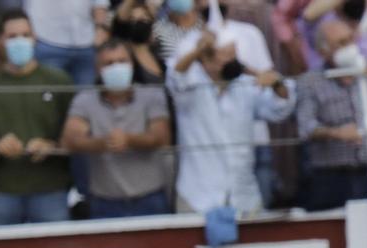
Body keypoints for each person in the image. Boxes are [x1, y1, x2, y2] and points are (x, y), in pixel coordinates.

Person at [166, 23, 293, 213]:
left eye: (234, 55)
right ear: (206, 61)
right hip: (197, 197)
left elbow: (279, 108)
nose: (234, 62)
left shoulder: (246, 85)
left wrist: (275, 83)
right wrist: (198, 49)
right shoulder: (189, 88)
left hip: (243, 196)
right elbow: (176, 75)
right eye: (226, 56)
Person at [0, 9, 76, 225]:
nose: (20, 41)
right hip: (2, 191)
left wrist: (51, 145)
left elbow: (74, 139)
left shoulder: (59, 81)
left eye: (26, 35)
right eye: (12, 36)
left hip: (51, 188)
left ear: (35, 38)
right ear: (0, 41)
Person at [295, 16, 367, 206]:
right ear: (324, 51)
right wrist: (335, 133)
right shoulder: (310, 82)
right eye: (341, 43)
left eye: (351, 39)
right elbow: (305, 127)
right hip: (333, 177)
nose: (350, 46)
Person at [63, 35, 172, 216]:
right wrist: (103, 143)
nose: (116, 67)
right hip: (104, 202)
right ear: (98, 70)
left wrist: (129, 140)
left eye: (122, 61)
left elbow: (162, 137)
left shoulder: (152, 95)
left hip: (150, 199)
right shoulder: (85, 100)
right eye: (109, 63)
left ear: (132, 65)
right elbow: (71, 140)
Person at [25, 0, 109, 87]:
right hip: (47, 39)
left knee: (85, 96)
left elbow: (100, 3)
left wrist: (100, 28)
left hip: (86, 41)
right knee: (50, 96)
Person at [105, 0, 167, 82]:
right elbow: (120, 19)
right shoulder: (125, 55)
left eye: (143, 19)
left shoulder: (159, 52)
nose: (139, 23)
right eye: (133, 19)